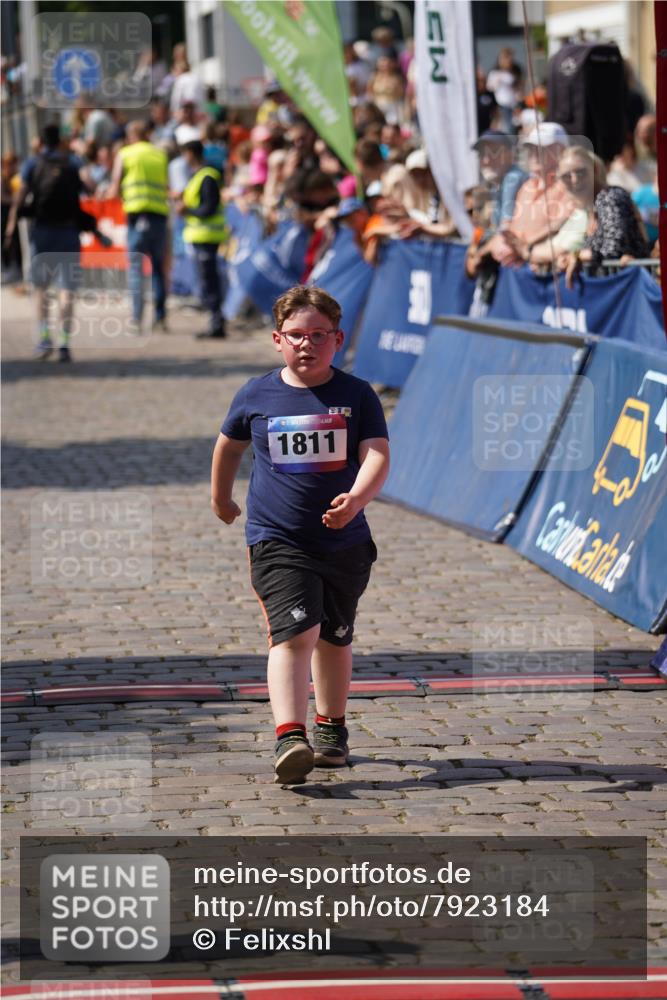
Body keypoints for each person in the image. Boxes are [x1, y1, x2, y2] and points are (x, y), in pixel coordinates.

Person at [211, 285, 390, 785]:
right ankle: (290, 735)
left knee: (335, 638)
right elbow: (228, 445)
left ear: (338, 339)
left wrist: (356, 498)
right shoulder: (257, 393)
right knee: (295, 634)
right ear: (277, 339)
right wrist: (220, 498)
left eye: (318, 335)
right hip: (277, 539)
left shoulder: (356, 394)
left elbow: (376, 453)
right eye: (295, 336)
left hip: (345, 542)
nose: (306, 345)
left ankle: (331, 728)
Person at [4, 124, 85, 361]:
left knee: (40, 288)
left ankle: (43, 337)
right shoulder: (72, 162)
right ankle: (65, 343)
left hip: (42, 231)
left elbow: (21, 195)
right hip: (69, 231)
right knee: (67, 290)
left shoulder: (33, 163)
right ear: (60, 140)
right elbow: (89, 185)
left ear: (41, 141)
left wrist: (11, 222)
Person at [107, 120, 169, 332]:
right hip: (158, 216)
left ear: (131, 135)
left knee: (136, 269)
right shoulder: (160, 154)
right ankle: (160, 317)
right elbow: (166, 184)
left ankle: (136, 318)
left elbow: (115, 186)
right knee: (159, 269)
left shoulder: (125, 153)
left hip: (135, 216)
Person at [175, 140, 228, 339]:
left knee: (210, 281)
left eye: (185, 154)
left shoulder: (207, 177)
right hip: (200, 237)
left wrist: (186, 210)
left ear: (191, 153)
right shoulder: (199, 176)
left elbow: (209, 208)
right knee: (207, 282)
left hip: (208, 237)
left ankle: (217, 324)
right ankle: (214, 322)